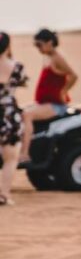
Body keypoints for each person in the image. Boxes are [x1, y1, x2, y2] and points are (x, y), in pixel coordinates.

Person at [19, 28, 75, 168]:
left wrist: (63, 92)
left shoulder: (57, 58)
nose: (38, 49)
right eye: (36, 45)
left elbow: (73, 75)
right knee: (20, 111)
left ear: (49, 42)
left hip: (56, 105)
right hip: (45, 102)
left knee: (27, 115)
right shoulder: (48, 57)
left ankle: (24, 154)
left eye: (40, 45)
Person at [0, 33, 26, 204]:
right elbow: (21, 82)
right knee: (11, 158)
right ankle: (4, 194)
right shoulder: (16, 66)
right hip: (9, 113)